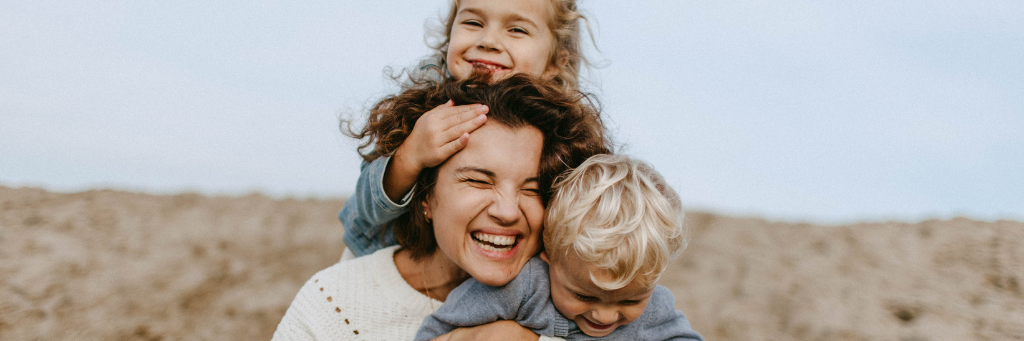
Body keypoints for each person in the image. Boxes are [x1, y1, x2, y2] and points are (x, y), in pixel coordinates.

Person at [272, 74, 609, 340]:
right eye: (478, 181)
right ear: (425, 197)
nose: (507, 211)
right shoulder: (334, 303)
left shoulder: (590, 302)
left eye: (533, 189)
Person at [339, 0, 594, 260]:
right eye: (473, 23)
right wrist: (411, 154)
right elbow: (362, 208)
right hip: (389, 263)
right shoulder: (423, 107)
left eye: (516, 30)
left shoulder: (561, 132)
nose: (488, 40)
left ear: (557, 61)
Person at [414, 154, 704, 340]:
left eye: (629, 301)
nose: (604, 316)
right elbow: (439, 330)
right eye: (582, 295)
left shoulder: (656, 308)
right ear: (549, 253)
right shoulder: (522, 289)